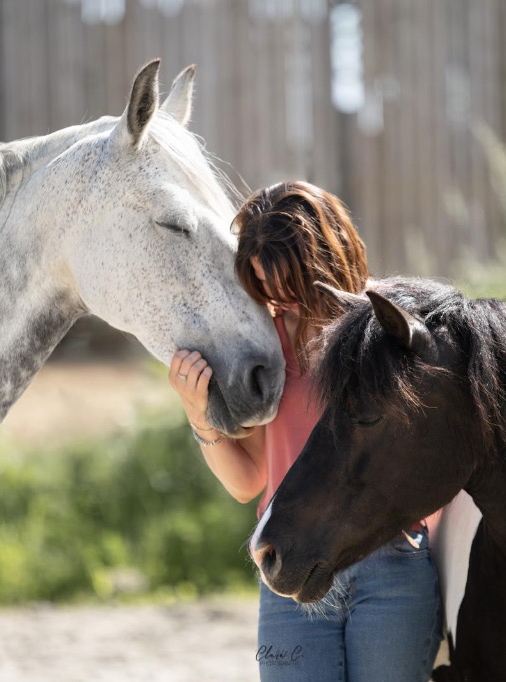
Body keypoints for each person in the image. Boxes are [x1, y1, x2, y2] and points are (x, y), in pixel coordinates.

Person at [169, 181, 443, 681]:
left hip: (390, 566)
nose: (278, 302)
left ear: (327, 262)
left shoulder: (390, 331)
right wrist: (198, 412)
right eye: (263, 286)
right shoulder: (264, 349)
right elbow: (248, 480)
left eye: (289, 286)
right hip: (289, 573)